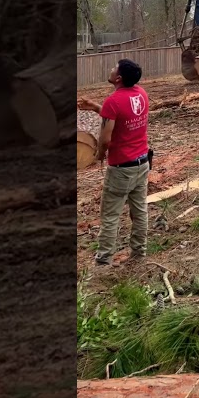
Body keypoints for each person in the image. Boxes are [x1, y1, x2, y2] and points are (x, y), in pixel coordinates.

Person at [77, 59, 150, 267]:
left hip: (121, 168)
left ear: (118, 78)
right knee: (139, 210)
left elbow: (107, 138)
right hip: (142, 162)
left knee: (110, 215)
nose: (110, 69)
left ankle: (104, 259)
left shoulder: (114, 100)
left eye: (113, 68)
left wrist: (99, 154)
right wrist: (94, 107)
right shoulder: (141, 94)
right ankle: (139, 252)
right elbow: (121, 116)